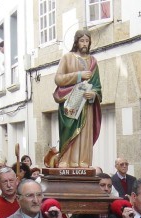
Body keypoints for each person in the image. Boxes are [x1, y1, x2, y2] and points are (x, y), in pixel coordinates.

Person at [53, 29, 102, 168]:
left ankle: (83, 161)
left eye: (87, 41)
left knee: (84, 134)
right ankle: (66, 160)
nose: (85, 43)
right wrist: (78, 75)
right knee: (69, 131)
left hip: (86, 106)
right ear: (76, 42)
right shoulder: (67, 58)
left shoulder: (93, 61)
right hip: (71, 101)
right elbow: (58, 79)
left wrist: (93, 94)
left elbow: (97, 86)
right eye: (82, 40)